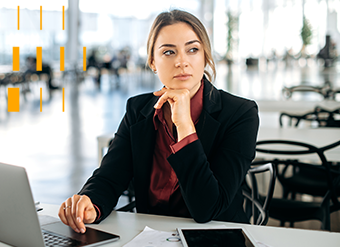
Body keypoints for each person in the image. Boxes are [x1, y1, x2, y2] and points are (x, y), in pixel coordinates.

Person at [59, 9, 259, 234]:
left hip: (215, 238)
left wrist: (184, 126)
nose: (181, 62)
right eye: (169, 52)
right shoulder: (138, 110)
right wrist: (91, 203)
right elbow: (110, 175)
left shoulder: (240, 113)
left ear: (205, 57)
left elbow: (208, 209)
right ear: (153, 62)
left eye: (192, 50)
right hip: (150, 236)